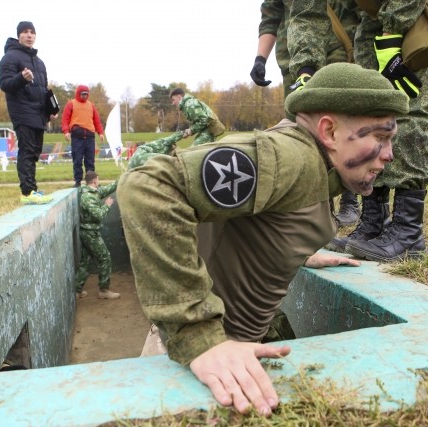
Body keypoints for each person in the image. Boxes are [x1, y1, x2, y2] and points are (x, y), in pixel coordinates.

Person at [117, 63, 408, 415]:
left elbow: (260, 215)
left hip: (232, 350)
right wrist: (197, 336)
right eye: (380, 137)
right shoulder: (293, 156)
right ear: (329, 131)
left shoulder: (316, 161)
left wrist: (294, 250)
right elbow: (149, 188)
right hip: (202, 365)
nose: (390, 154)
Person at [328, 0, 428, 262]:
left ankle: (409, 234)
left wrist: (393, 30)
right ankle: (374, 222)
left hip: (413, 12)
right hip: (376, 19)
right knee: (373, 116)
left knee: (409, 111)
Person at [251, 0, 362, 225]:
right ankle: (320, 204)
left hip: (340, 51)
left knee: (341, 128)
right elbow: (270, 16)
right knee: (302, 131)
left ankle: (350, 201)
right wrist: (260, 59)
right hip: (295, 59)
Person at [0, 21, 53, 205]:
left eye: (32, 32)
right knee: (27, 150)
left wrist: (50, 110)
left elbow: (43, 90)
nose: (29, 35)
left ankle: (33, 189)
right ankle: (27, 192)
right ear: (18, 35)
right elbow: (5, 85)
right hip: (22, 112)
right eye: (25, 32)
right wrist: (21, 78)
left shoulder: (39, 62)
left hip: (38, 115)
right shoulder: (9, 58)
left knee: (35, 152)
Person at [75, 171, 120, 300]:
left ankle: (77, 291)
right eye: (98, 181)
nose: (99, 183)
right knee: (105, 258)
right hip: (90, 234)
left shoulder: (92, 192)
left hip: (88, 232)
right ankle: (104, 290)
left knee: (85, 261)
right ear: (95, 181)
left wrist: (122, 178)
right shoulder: (88, 197)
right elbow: (99, 215)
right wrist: (107, 205)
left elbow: (109, 188)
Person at [61, 85, 106, 187]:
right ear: (78, 94)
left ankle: (91, 182)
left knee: (90, 161)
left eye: (86, 94)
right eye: (83, 94)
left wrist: (101, 132)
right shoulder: (70, 104)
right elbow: (65, 119)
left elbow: (97, 120)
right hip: (77, 137)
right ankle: (77, 181)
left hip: (90, 137)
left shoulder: (91, 106)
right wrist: (66, 131)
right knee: (77, 159)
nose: (85, 96)